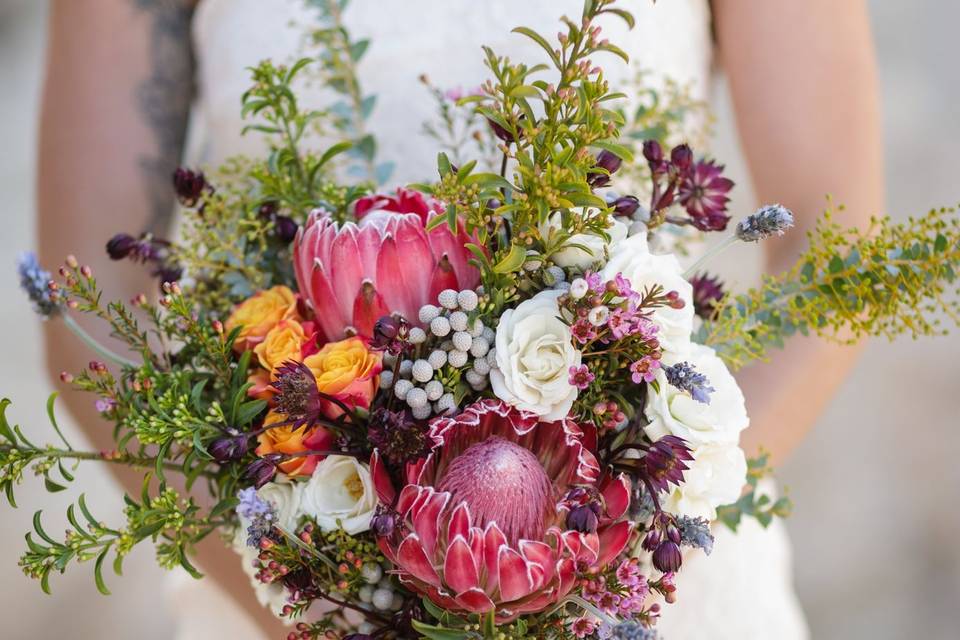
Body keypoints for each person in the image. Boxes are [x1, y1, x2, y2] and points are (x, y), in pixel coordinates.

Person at [38, 0, 883, 637]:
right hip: (283, 594)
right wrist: (325, 607)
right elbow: (101, 316)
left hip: (654, 595)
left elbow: (833, 254)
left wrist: (615, 553)